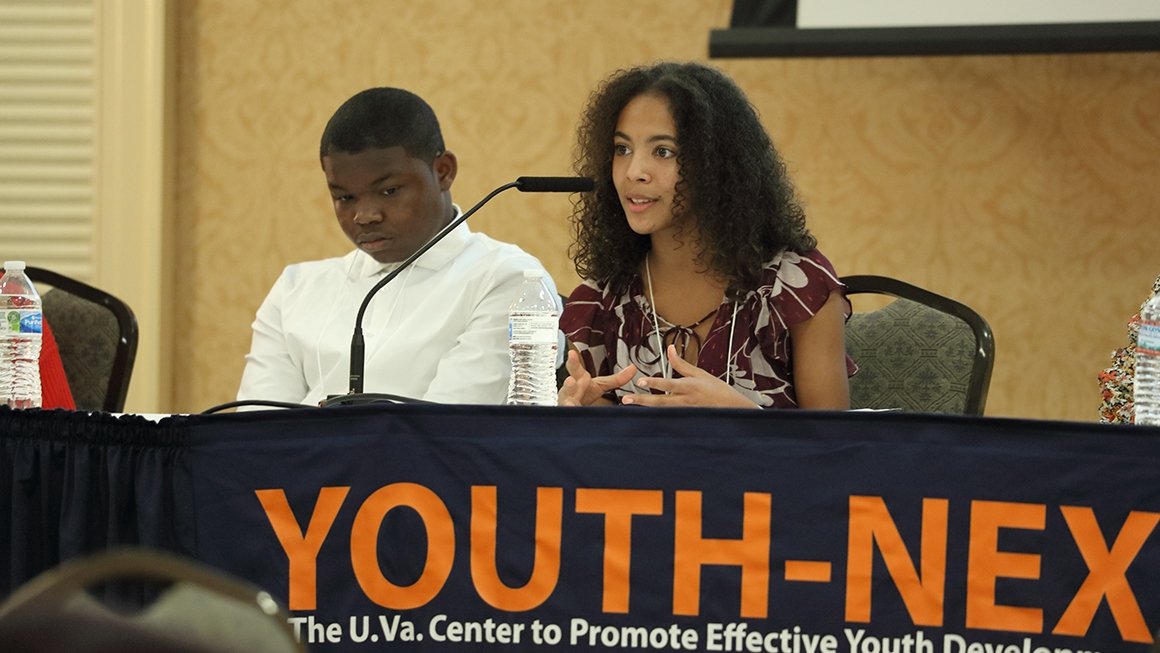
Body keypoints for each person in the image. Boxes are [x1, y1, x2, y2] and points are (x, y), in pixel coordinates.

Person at [558, 61, 856, 409]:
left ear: (716, 165)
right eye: (622, 149)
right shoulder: (602, 301)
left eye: (663, 152)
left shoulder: (796, 287)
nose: (634, 172)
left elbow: (835, 452)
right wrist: (582, 414)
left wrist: (743, 420)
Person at [237, 87, 560, 407]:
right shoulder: (296, 289)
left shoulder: (508, 279)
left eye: (389, 191)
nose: (365, 216)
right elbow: (255, 431)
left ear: (443, 171)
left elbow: (448, 428)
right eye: (344, 197)